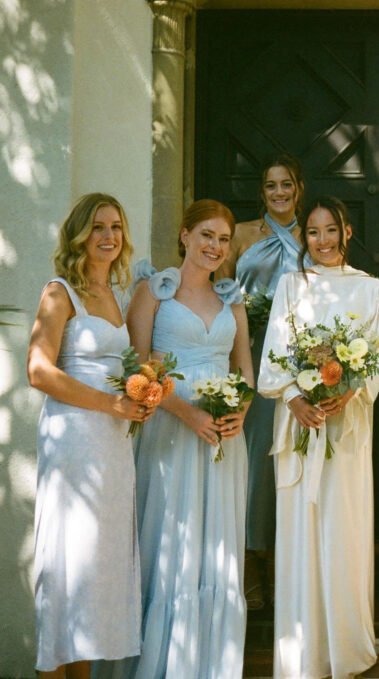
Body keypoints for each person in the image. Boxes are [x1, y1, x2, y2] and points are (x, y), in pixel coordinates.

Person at [122, 199, 253, 678]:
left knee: (217, 542)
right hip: (170, 430)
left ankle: (211, 665)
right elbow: (138, 367)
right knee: (170, 537)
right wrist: (186, 413)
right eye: (206, 236)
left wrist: (238, 411)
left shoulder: (231, 300)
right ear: (184, 235)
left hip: (222, 438)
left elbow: (245, 369)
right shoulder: (153, 291)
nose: (214, 247)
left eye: (223, 240)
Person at [259, 196, 379, 679]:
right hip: (300, 423)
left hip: (347, 427)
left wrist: (349, 391)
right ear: (304, 238)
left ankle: (346, 648)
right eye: (313, 232)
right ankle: (303, 653)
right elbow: (275, 350)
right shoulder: (290, 287)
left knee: (344, 525)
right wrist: (295, 397)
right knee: (300, 527)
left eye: (330, 230)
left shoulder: (372, 290)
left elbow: (374, 353)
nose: (322, 240)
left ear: (347, 231)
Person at [27, 193, 146, 679]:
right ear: (80, 234)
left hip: (114, 449)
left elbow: (127, 367)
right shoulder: (60, 293)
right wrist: (111, 404)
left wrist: (146, 392)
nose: (109, 236)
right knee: (69, 569)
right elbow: (38, 371)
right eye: (98, 227)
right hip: (74, 442)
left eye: (116, 227)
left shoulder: (118, 295)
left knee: (97, 574)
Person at [220, 153, 305, 610]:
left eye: (286, 185)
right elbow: (221, 290)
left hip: (296, 363)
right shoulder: (241, 236)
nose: (279, 193)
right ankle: (251, 564)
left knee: (288, 462)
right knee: (252, 466)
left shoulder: (312, 236)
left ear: (299, 188)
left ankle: (284, 565)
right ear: (262, 191)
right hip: (249, 355)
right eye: (271, 185)